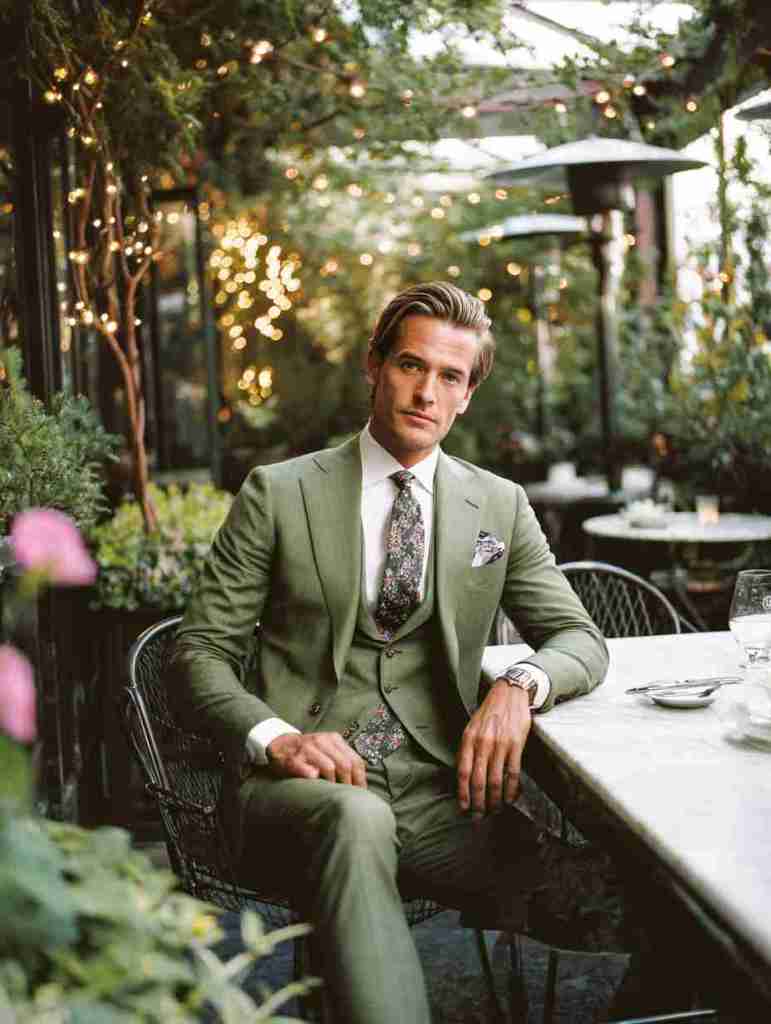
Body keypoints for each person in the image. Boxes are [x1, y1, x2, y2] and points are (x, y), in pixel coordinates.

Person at [169, 281, 609, 1024]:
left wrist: (517, 686)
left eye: (449, 376)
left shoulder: (497, 505)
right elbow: (197, 655)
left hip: (443, 801)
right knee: (357, 820)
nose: (426, 392)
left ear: (466, 395)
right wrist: (279, 739)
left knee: (656, 899)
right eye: (411, 365)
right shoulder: (279, 493)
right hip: (296, 795)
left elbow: (579, 639)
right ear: (373, 366)